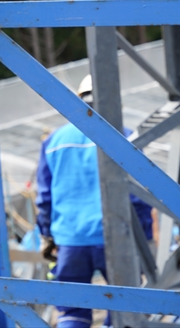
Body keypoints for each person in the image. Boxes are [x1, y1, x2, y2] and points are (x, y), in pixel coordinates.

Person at [35, 74, 153, 328]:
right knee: (123, 308)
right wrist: (146, 238)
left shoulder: (54, 141)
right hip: (116, 239)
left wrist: (47, 235)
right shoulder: (126, 137)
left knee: (71, 311)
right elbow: (140, 196)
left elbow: (45, 197)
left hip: (70, 239)